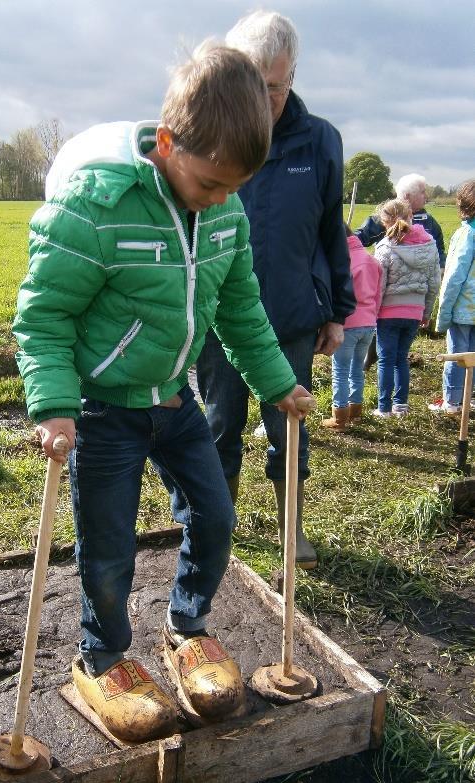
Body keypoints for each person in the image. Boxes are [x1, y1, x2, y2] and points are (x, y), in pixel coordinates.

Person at [13, 45, 312, 742]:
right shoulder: (96, 207)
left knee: (215, 517)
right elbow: (44, 315)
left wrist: (279, 384)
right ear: (168, 142)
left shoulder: (227, 217)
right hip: (101, 410)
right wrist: (54, 407)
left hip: (176, 401)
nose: (220, 197)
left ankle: (186, 628)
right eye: (210, 182)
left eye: (235, 187)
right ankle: (104, 658)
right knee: (109, 548)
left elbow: (241, 312)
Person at [195, 10, 355, 569]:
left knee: (290, 426)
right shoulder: (209, 133)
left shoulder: (320, 142)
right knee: (218, 425)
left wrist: (336, 311)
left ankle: (292, 530)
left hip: (289, 315)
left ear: (293, 77)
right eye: (249, 83)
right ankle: (213, 527)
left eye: (274, 87)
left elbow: (332, 231)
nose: (261, 100)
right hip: (217, 316)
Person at [372, 199, 440, 417]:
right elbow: (434, 282)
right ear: (411, 215)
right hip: (415, 310)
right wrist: (426, 312)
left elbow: (379, 285)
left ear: (385, 222)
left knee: (386, 359)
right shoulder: (429, 244)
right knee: (401, 358)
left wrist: (373, 312)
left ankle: (384, 407)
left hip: (389, 312)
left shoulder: (385, 246)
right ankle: (401, 405)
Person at [322, 224, 383, 431]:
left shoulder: (343, 262)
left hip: (348, 323)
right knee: (357, 368)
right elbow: (378, 294)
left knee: (340, 370)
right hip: (369, 323)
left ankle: (339, 417)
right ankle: (356, 411)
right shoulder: (372, 260)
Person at [429, 180, 475, 415]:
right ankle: (469, 398)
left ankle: (453, 402)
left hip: (464, 308)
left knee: (457, 355)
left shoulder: (467, 233)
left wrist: (443, 312)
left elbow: (454, 276)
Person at [355, 173, 446, 268]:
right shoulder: (386, 217)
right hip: (391, 279)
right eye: (422, 192)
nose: (426, 196)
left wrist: (441, 269)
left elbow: (439, 251)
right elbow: (356, 239)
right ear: (407, 196)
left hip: (421, 280)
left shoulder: (429, 221)